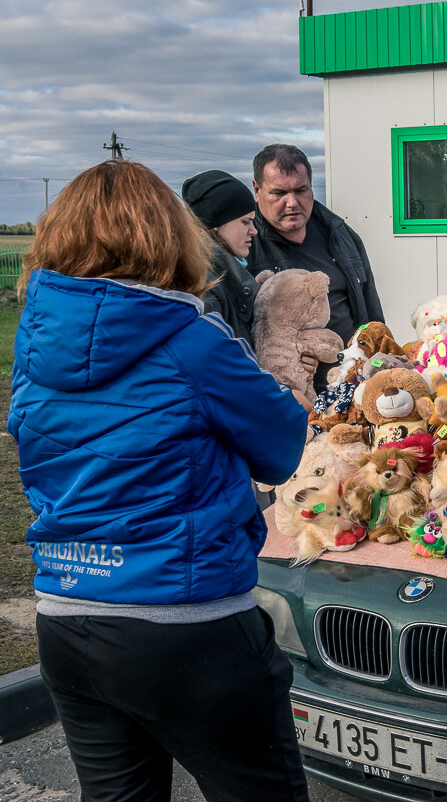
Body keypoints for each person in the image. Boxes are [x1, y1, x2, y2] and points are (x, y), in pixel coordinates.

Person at [9, 160, 310, 801]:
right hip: (187, 621)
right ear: (165, 236)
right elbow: (282, 448)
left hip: (67, 613)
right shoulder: (191, 338)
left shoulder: (34, 344)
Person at [246, 143, 384, 390]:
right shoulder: (245, 246)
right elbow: (234, 332)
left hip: (353, 386)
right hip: (289, 399)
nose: (292, 202)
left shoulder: (341, 235)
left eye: (301, 190)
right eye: (278, 194)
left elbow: (371, 312)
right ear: (257, 190)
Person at [182, 168, 260, 345]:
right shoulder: (204, 286)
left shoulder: (218, 274)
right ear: (215, 222)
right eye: (246, 222)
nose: (254, 231)